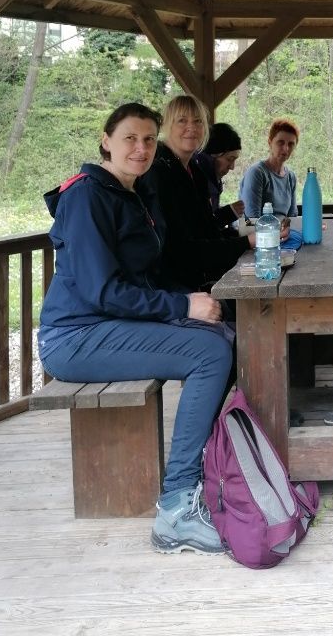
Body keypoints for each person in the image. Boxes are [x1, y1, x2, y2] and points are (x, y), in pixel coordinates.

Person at [37, 102, 232, 555]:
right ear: (106, 140)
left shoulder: (136, 193)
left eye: (148, 139)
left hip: (112, 324)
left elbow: (148, 275)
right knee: (211, 354)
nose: (141, 148)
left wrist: (194, 303)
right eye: (130, 138)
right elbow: (102, 291)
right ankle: (176, 508)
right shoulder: (87, 196)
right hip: (76, 336)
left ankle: (210, 463)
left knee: (223, 336)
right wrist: (183, 304)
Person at [147, 95, 257, 293]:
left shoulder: (194, 171)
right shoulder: (158, 172)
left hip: (201, 274)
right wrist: (246, 242)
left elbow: (207, 230)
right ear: (166, 126)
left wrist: (246, 238)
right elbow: (179, 249)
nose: (192, 127)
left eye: (198, 121)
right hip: (173, 287)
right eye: (182, 120)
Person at [239, 118, 300, 219]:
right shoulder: (257, 173)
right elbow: (251, 219)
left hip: (284, 232)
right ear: (270, 143)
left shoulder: (290, 177)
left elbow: (292, 216)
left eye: (291, 144)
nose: (286, 149)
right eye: (281, 142)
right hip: (260, 232)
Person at [194, 121, 244, 229]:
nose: (232, 167)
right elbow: (200, 228)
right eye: (229, 159)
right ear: (213, 155)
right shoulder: (196, 179)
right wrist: (228, 213)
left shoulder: (212, 178)